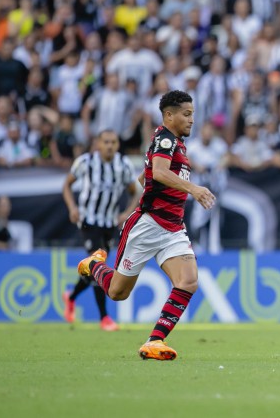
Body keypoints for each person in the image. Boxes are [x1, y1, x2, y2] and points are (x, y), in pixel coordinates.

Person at [76, 91, 216, 360]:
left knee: (188, 281)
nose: (191, 120)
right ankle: (93, 264)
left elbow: (146, 176)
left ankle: (155, 341)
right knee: (117, 293)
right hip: (148, 225)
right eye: (186, 114)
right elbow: (161, 173)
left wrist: (151, 182)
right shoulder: (164, 137)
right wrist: (193, 189)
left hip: (173, 227)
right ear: (169, 115)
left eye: (192, 114)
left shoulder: (176, 144)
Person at [62, 129, 138, 331]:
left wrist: (126, 214)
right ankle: (104, 318)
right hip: (88, 221)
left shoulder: (124, 165)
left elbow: (135, 193)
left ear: (118, 145)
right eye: (106, 142)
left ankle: (70, 297)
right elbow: (66, 186)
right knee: (98, 265)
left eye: (113, 142)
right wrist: (72, 208)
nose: (110, 146)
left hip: (110, 224)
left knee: (93, 270)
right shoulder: (85, 162)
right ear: (98, 143)